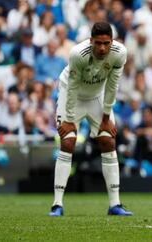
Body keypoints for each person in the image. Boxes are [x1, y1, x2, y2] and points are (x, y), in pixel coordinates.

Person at [49, 22, 133, 217]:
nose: (102, 48)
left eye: (106, 43)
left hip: (97, 96)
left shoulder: (119, 53)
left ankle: (115, 205)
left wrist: (106, 117)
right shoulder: (78, 54)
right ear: (90, 41)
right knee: (68, 142)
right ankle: (57, 205)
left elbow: (113, 86)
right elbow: (72, 87)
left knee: (108, 140)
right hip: (73, 96)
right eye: (98, 43)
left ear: (112, 41)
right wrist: (69, 119)